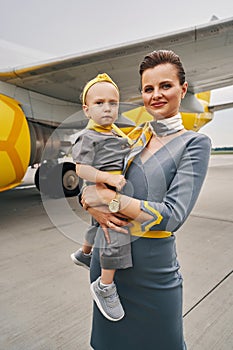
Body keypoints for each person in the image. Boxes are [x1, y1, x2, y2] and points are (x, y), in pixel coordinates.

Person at [81, 50, 212, 349]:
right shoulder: (133, 137)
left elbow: (172, 215)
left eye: (165, 86)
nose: (156, 95)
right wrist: (90, 203)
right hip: (108, 267)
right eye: (148, 88)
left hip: (153, 271)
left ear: (183, 88)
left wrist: (108, 201)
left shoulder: (194, 143)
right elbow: (92, 185)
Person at [71, 73, 145, 322]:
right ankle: (105, 285)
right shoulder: (88, 137)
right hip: (103, 190)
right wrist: (109, 178)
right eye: (99, 103)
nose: (107, 108)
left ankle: (84, 253)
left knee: (97, 225)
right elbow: (81, 169)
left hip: (112, 190)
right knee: (116, 230)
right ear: (86, 109)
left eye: (113, 103)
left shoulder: (113, 133)